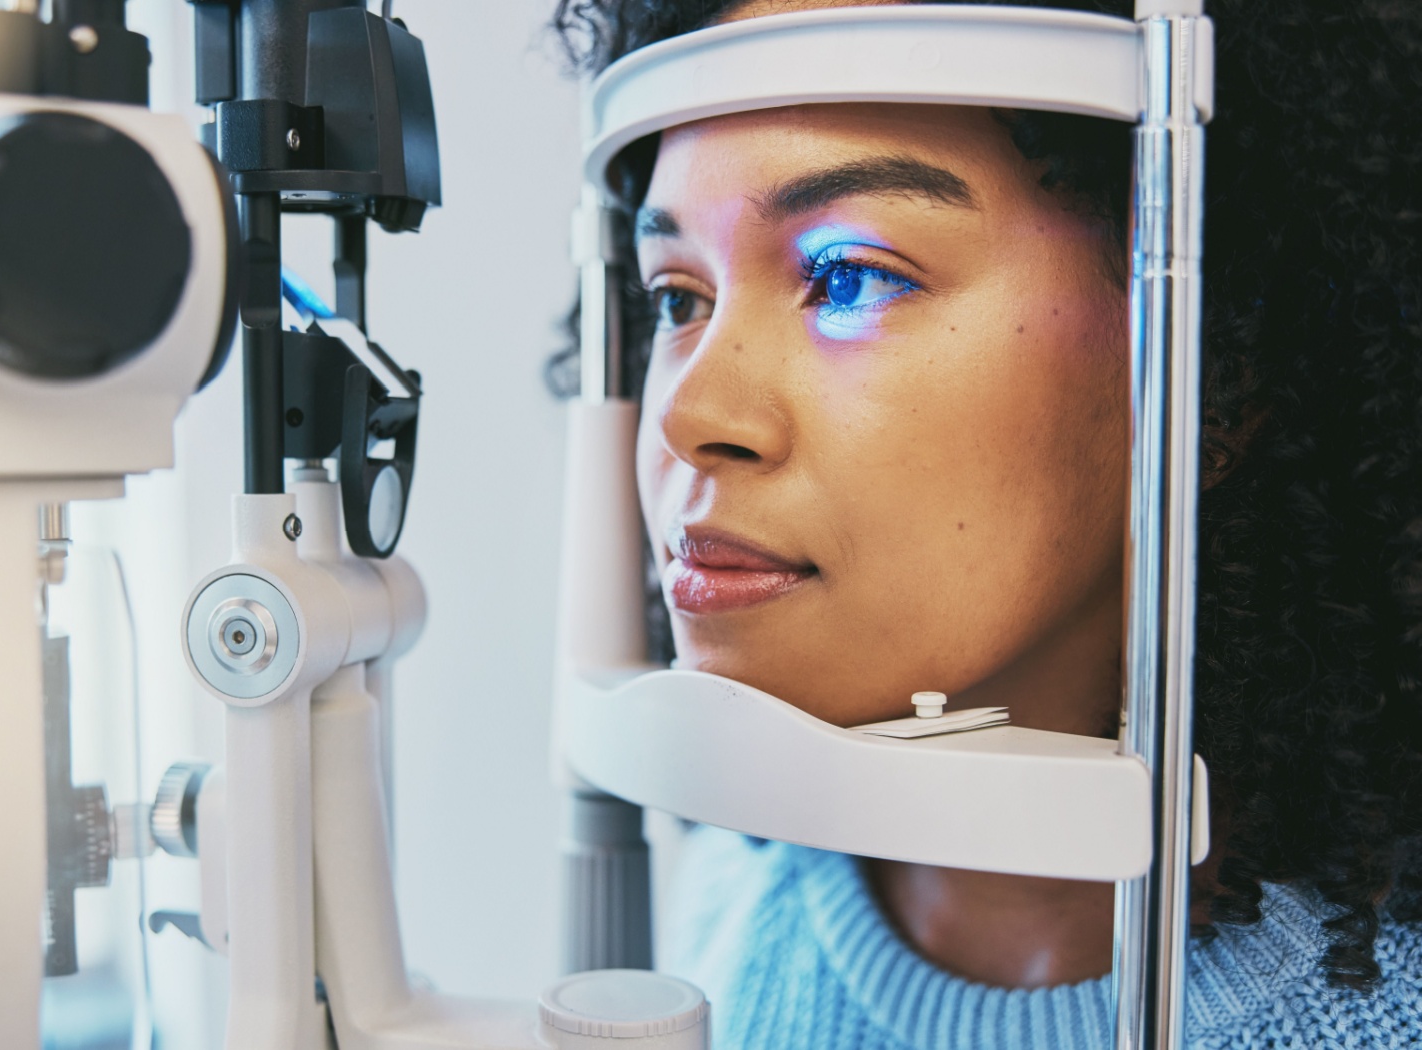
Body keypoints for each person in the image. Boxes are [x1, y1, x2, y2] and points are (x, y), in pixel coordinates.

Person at [548, 1, 1422, 1046]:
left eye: (850, 276)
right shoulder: (729, 904)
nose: (690, 418)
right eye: (678, 299)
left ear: (1213, 368)